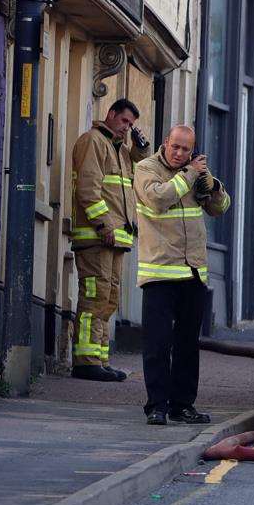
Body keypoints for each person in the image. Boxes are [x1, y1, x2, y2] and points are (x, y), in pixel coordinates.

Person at [132, 124, 231, 425]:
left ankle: (182, 405)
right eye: (175, 146)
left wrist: (212, 186)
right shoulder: (146, 168)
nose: (179, 153)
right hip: (160, 273)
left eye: (185, 149)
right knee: (158, 344)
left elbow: (221, 208)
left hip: (193, 273)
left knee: (188, 345)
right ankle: (157, 406)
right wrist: (189, 174)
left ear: (192, 150)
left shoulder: (196, 173)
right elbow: (158, 200)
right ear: (165, 143)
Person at [68, 99, 151, 381]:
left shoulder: (120, 150)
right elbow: (88, 189)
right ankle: (85, 361)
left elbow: (140, 167)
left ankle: (99, 359)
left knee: (108, 300)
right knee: (94, 297)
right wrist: (103, 225)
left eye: (131, 125)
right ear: (111, 114)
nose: (127, 128)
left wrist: (140, 146)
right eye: (125, 121)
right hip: (97, 237)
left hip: (115, 239)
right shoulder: (93, 142)